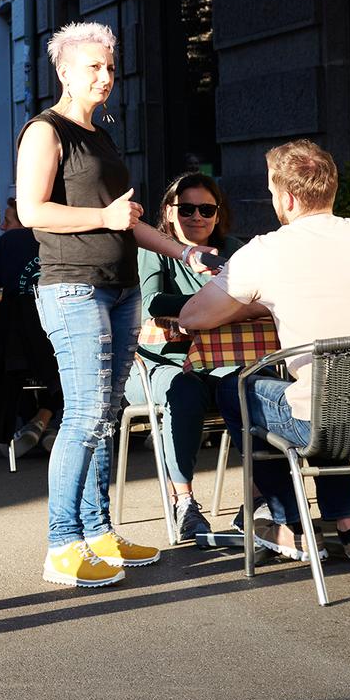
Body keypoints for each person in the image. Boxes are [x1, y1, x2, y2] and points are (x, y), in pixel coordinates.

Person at [16, 22, 209, 589]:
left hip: (120, 288)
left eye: (110, 67)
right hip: (73, 287)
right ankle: (61, 545)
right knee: (82, 416)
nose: (105, 77)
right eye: (94, 67)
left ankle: (99, 533)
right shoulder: (45, 132)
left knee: (103, 418)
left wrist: (184, 252)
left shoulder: (98, 135)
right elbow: (31, 211)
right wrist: (103, 219)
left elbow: (126, 218)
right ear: (64, 72)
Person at [179, 140, 350, 572]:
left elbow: (194, 317)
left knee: (240, 388)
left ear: (284, 197)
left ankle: (287, 521)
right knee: (325, 388)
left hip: (321, 418)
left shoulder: (266, 251)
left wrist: (263, 300)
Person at [124, 171, 245, 543]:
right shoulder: (156, 250)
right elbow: (153, 303)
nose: (197, 216)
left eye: (206, 208)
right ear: (170, 211)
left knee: (250, 387)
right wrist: (217, 306)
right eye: (187, 208)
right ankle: (184, 503)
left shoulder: (235, 250)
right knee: (184, 393)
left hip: (220, 360)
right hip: (159, 363)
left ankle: (259, 498)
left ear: (218, 213)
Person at [0, 200, 57, 451]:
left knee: (14, 352)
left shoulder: (10, 243)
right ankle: (46, 420)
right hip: (58, 345)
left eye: (8, 221)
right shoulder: (61, 241)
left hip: (16, 351)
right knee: (46, 360)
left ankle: (38, 422)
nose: (2, 226)